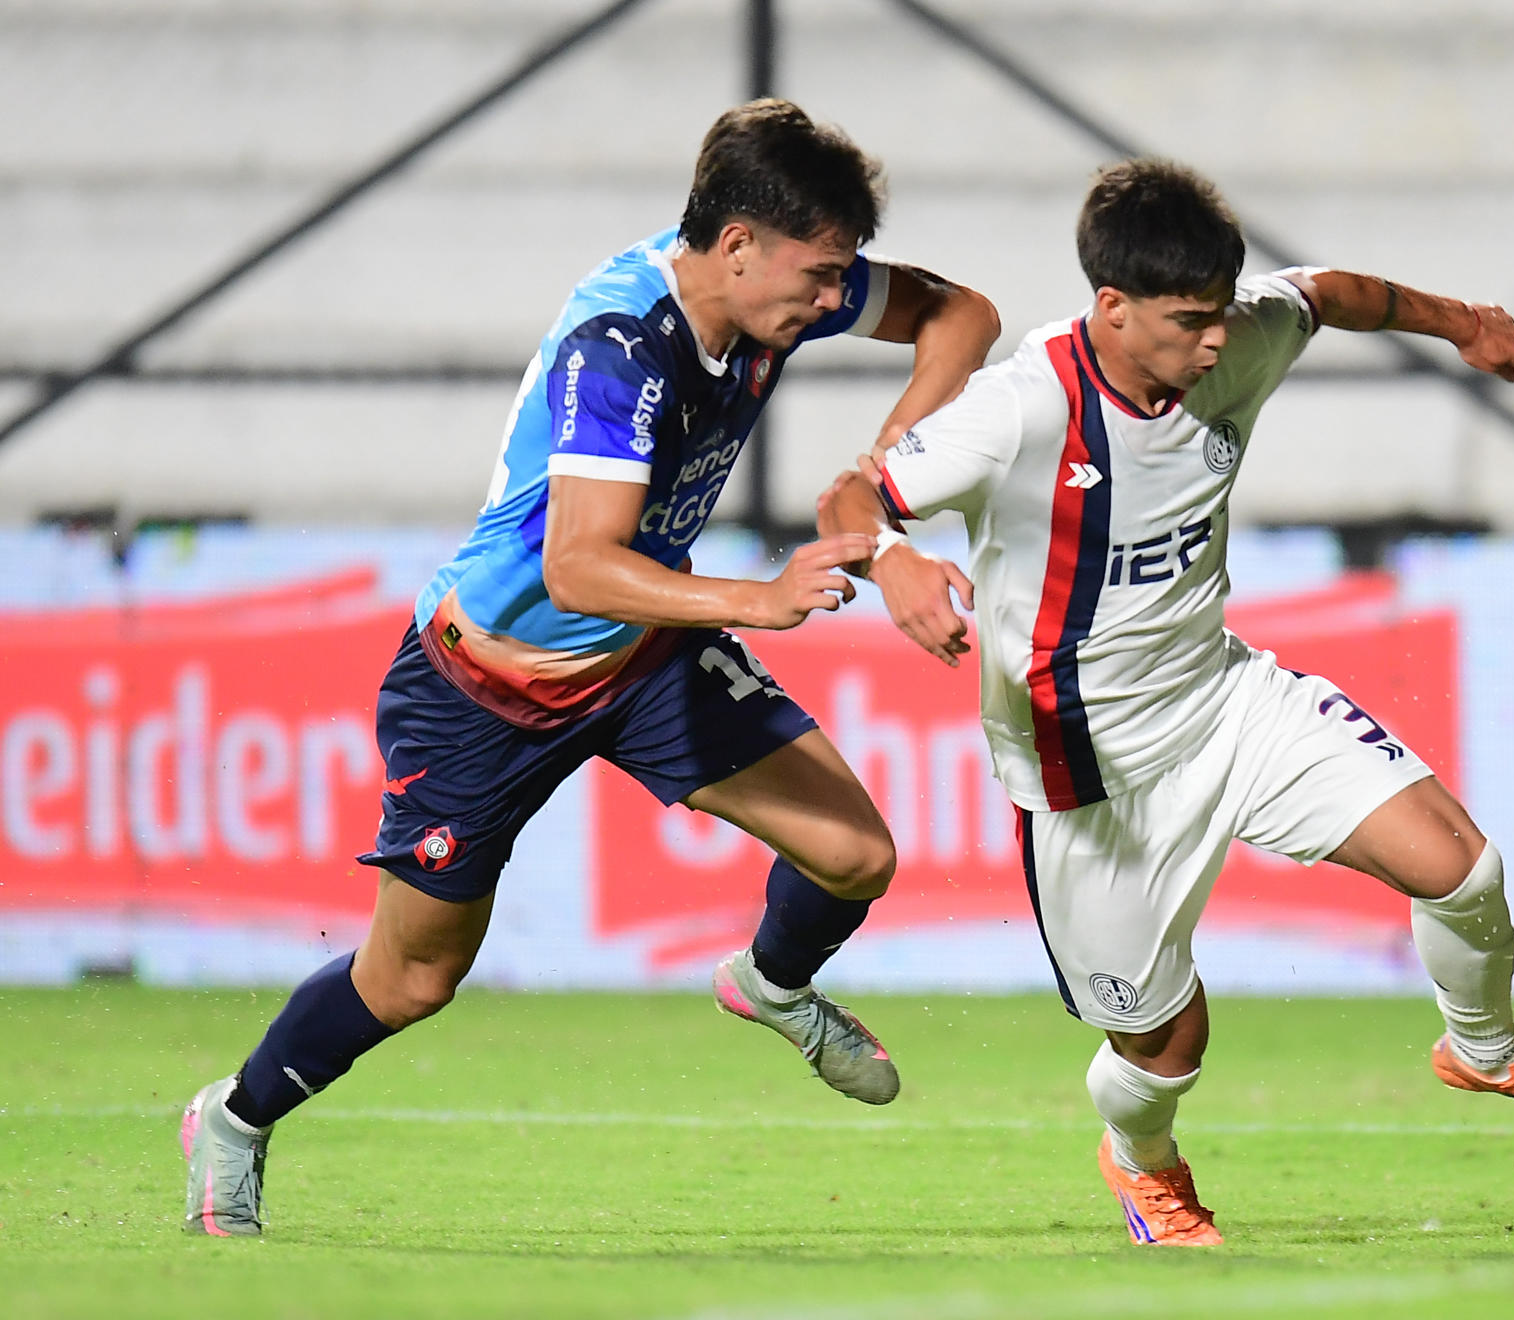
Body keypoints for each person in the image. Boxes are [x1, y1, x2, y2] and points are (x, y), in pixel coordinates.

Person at [179, 99, 1000, 1237]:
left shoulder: (770, 291)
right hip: (487, 683)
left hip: (642, 653)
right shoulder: (619, 352)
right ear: (735, 247)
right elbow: (575, 566)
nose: (830, 302)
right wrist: (757, 601)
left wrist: (875, 473)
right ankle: (237, 1117)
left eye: (837, 281)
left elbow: (962, 316)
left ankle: (770, 983)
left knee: (855, 854)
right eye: (817, 279)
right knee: (412, 980)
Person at [817, 158, 1514, 1247]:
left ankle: (1484, 1051)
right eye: (1188, 321)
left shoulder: (1240, 337)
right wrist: (891, 560)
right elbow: (848, 493)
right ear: (1111, 309)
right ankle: (1142, 1164)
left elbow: (1332, 292)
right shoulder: (1019, 409)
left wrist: (1463, 322)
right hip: (1085, 778)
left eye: (1219, 315)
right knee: (1166, 1045)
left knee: (1461, 867)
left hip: (1223, 701)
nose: (1213, 342)